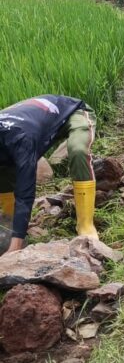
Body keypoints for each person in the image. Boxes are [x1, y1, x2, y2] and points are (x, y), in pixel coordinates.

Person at [0, 95, 99, 255]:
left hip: (72, 112)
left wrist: (15, 249)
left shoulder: (21, 140)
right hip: (35, 119)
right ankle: (9, 227)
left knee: (77, 150)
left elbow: (25, 195)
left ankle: (86, 225)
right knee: (3, 168)